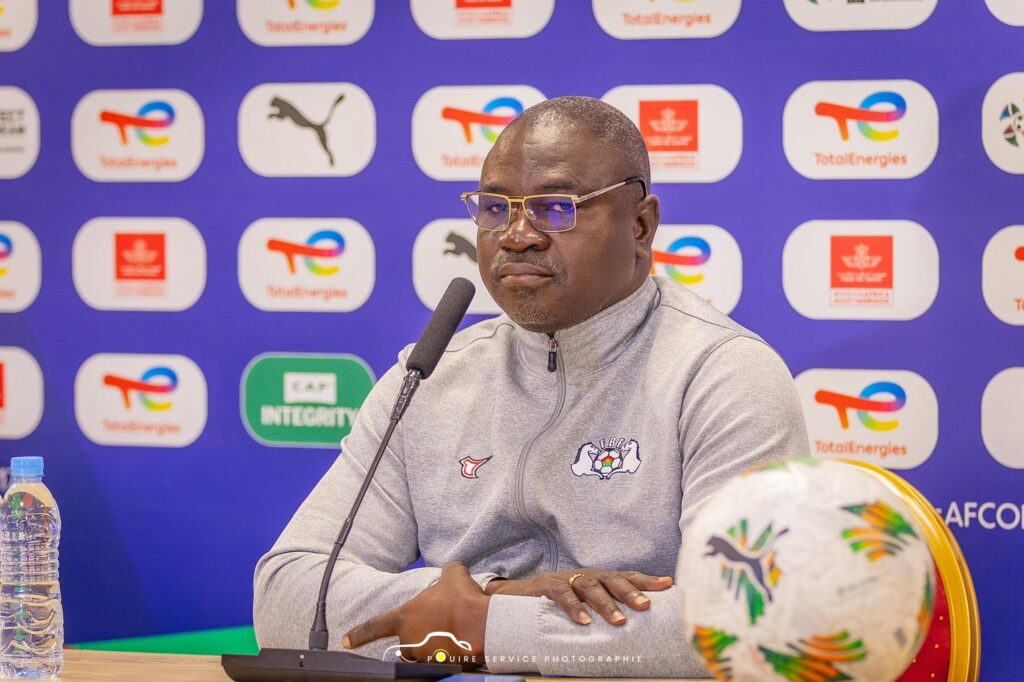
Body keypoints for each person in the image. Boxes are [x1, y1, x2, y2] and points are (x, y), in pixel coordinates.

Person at [253, 96, 810, 678]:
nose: (517, 236)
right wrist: (496, 596)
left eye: (556, 208)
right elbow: (287, 598)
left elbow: (749, 620)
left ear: (641, 225)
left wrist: (482, 626)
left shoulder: (722, 373)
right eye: (495, 208)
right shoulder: (429, 376)